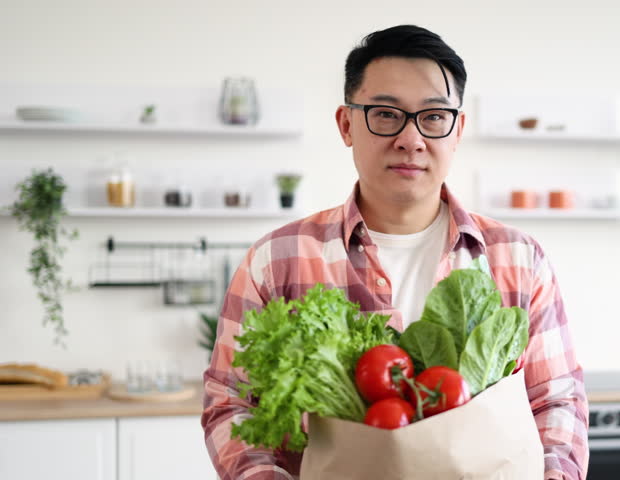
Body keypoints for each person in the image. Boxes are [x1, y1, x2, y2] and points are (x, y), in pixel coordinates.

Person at [202, 24, 589, 480]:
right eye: (385, 114)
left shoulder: (519, 261)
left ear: (457, 129)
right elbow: (232, 404)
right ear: (347, 124)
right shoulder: (277, 259)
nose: (411, 139)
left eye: (433, 116)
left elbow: (557, 400)